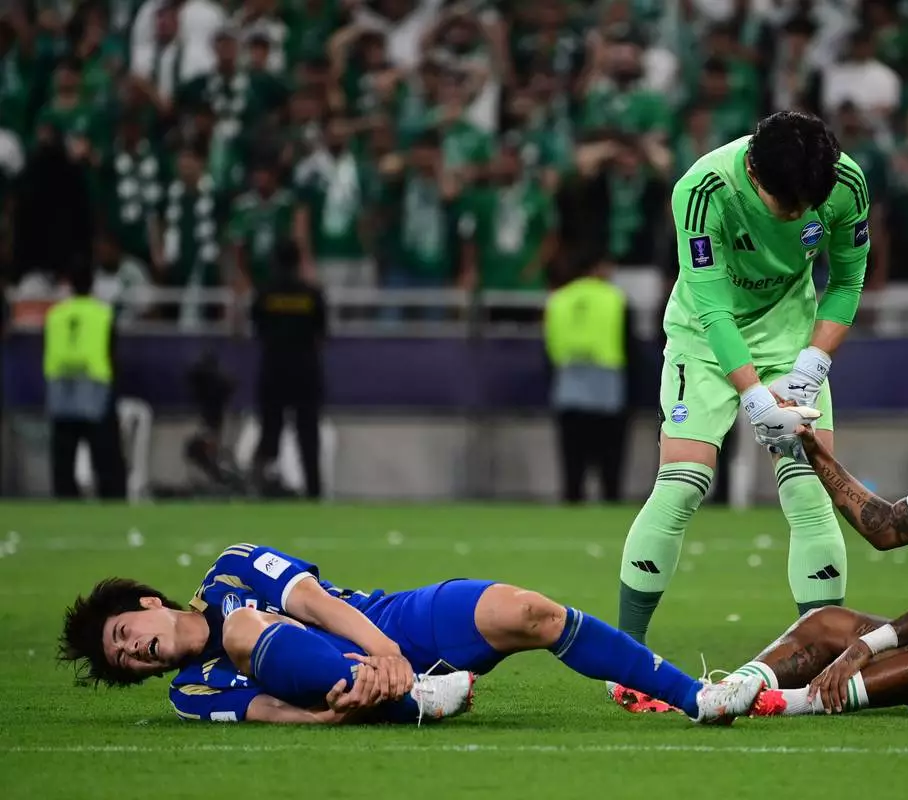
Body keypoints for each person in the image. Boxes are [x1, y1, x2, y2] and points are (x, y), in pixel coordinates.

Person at [613, 368, 908, 718]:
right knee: (824, 620)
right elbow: (885, 527)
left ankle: (786, 704)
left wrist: (868, 647)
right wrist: (812, 450)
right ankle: (730, 691)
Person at [617, 111, 871, 647]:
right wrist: (754, 397)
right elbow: (712, 310)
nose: (802, 214)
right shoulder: (703, 190)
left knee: (809, 489)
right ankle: (628, 656)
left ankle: (822, 658)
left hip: (790, 339)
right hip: (705, 342)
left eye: (810, 205)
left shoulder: (844, 182)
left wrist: (813, 363)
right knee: (683, 484)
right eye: (789, 206)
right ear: (754, 174)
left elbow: (847, 281)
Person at [58, 543, 765, 726]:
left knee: (532, 613)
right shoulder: (191, 690)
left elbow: (316, 602)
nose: (132, 650)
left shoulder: (230, 572)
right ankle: (413, 703)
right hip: (355, 690)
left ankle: (695, 697)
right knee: (248, 631)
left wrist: (386, 655)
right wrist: (351, 707)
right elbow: (275, 711)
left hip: (384, 623)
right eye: (122, 659)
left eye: (125, 631)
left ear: (149, 601)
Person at [544, 255, 636, 503]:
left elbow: (549, 350)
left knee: (573, 472)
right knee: (610, 473)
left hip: (569, 389)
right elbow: (631, 347)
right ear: (599, 267)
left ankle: (571, 517)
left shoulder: (559, 300)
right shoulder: (615, 298)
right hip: (608, 391)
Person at [250, 240, 326, 499]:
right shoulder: (311, 294)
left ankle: (263, 489)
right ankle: (314, 491)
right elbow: (322, 333)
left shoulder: (265, 293)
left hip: (274, 369)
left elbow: (256, 329)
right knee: (308, 435)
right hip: (305, 371)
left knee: (270, 431)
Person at [43, 265, 127, 499]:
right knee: (106, 456)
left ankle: (65, 499)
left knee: (63, 457)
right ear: (92, 285)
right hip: (95, 390)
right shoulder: (102, 314)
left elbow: (46, 348)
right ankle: (112, 500)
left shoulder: (55, 315)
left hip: (62, 389)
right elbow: (112, 351)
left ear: (69, 286)